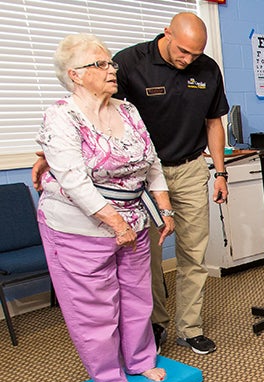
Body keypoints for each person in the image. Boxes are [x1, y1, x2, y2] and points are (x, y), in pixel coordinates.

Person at [34, 12, 230, 355]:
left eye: (195, 55)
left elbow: (213, 122)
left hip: (189, 169)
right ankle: (155, 323)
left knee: (194, 253)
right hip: (141, 177)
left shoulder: (208, 69)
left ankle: (190, 326)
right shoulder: (127, 63)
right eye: (183, 51)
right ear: (166, 33)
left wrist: (221, 171)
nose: (188, 60)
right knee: (147, 258)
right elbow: (94, 110)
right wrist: (49, 153)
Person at [36, 34, 175, 382]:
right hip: (79, 225)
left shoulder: (128, 110)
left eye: (110, 62)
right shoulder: (61, 115)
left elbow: (152, 163)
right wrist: (115, 222)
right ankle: (109, 377)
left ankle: (142, 360)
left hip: (134, 219)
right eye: (100, 64)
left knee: (137, 295)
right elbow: (73, 180)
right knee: (95, 307)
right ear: (75, 75)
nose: (112, 69)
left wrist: (165, 209)